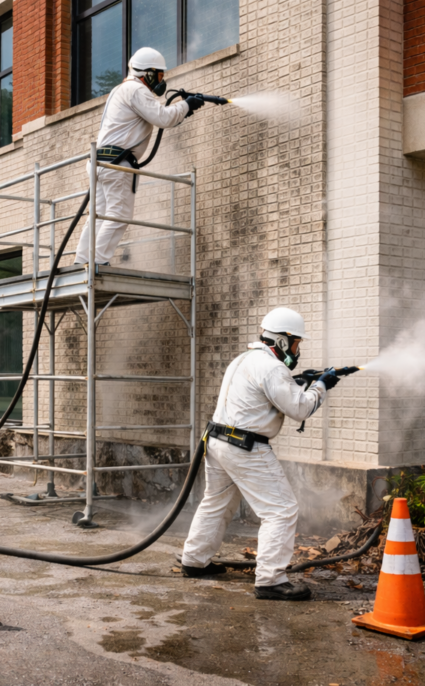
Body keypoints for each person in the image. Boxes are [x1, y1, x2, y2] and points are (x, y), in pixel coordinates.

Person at [180, 307, 340, 600]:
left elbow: (264, 394)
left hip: (218, 441)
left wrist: (299, 382)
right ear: (282, 341)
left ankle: (194, 561)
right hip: (244, 447)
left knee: (216, 503)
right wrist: (321, 386)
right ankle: (270, 580)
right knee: (281, 510)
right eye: (296, 343)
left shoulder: (244, 360)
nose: (297, 350)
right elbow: (299, 408)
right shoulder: (272, 368)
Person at [74, 47, 206, 266]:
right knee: (119, 214)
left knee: (100, 214)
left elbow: (160, 117)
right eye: (160, 76)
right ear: (148, 73)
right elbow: (163, 117)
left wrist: (184, 110)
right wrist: (186, 104)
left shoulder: (122, 89)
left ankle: (82, 261)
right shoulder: (137, 90)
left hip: (101, 162)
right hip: (117, 164)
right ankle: (97, 262)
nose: (161, 81)